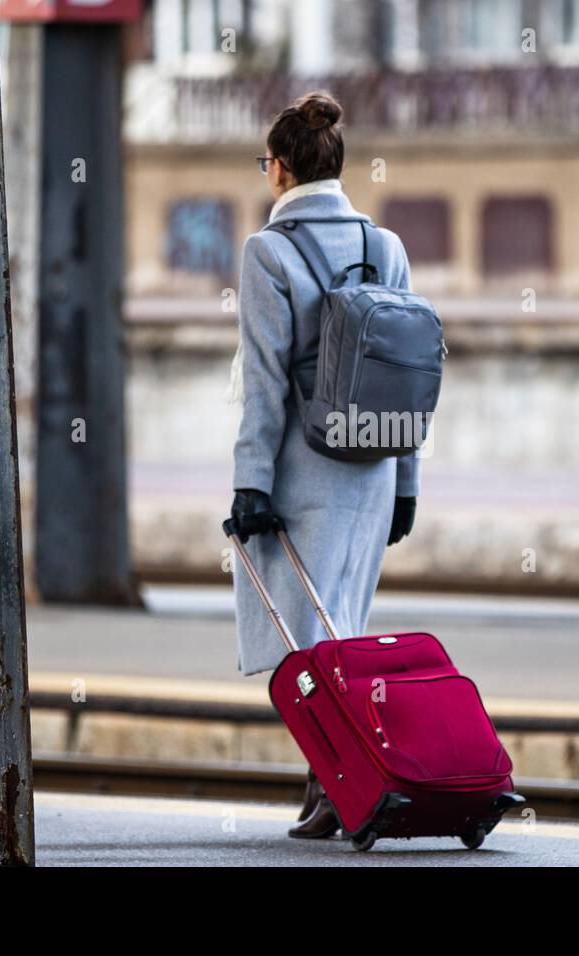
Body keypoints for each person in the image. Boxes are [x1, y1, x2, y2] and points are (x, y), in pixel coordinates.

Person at [226, 91, 419, 839]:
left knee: (301, 650)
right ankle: (331, 789)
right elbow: (408, 374)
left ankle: (342, 786)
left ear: (278, 170)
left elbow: (265, 385)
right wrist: (407, 485)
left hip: (300, 478)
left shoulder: (268, 252)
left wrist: (251, 485)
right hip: (371, 474)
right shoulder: (387, 246)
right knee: (342, 638)